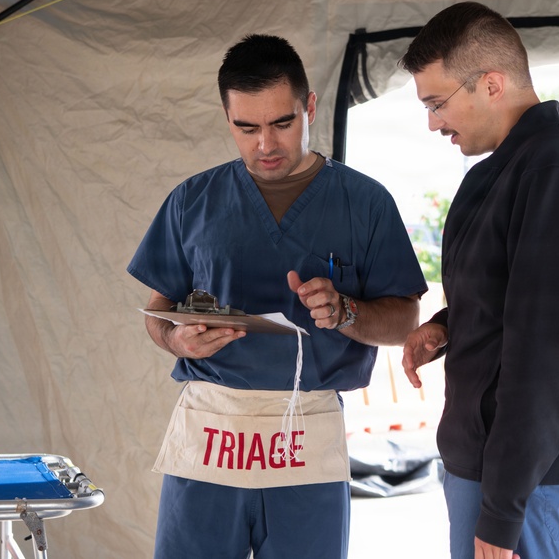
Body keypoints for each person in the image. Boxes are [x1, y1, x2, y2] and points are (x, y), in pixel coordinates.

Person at [127, 34, 426, 559]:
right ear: (227, 119)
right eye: (247, 128)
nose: (265, 144)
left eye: (281, 123)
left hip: (305, 438)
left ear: (309, 107)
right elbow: (156, 311)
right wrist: (178, 342)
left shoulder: (365, 203)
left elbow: (405, 321)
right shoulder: (192, 202)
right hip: (211, 434)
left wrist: (347, 312)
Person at [398, 3, 559, 559]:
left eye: (436, 103)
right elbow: (514, 294)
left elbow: (546, 351)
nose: (432, 122)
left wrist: (501, 514)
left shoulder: (554, 170)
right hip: (493, 469)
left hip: (529, 483)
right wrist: (448, 325)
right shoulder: (508, 168)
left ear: (491, 84)